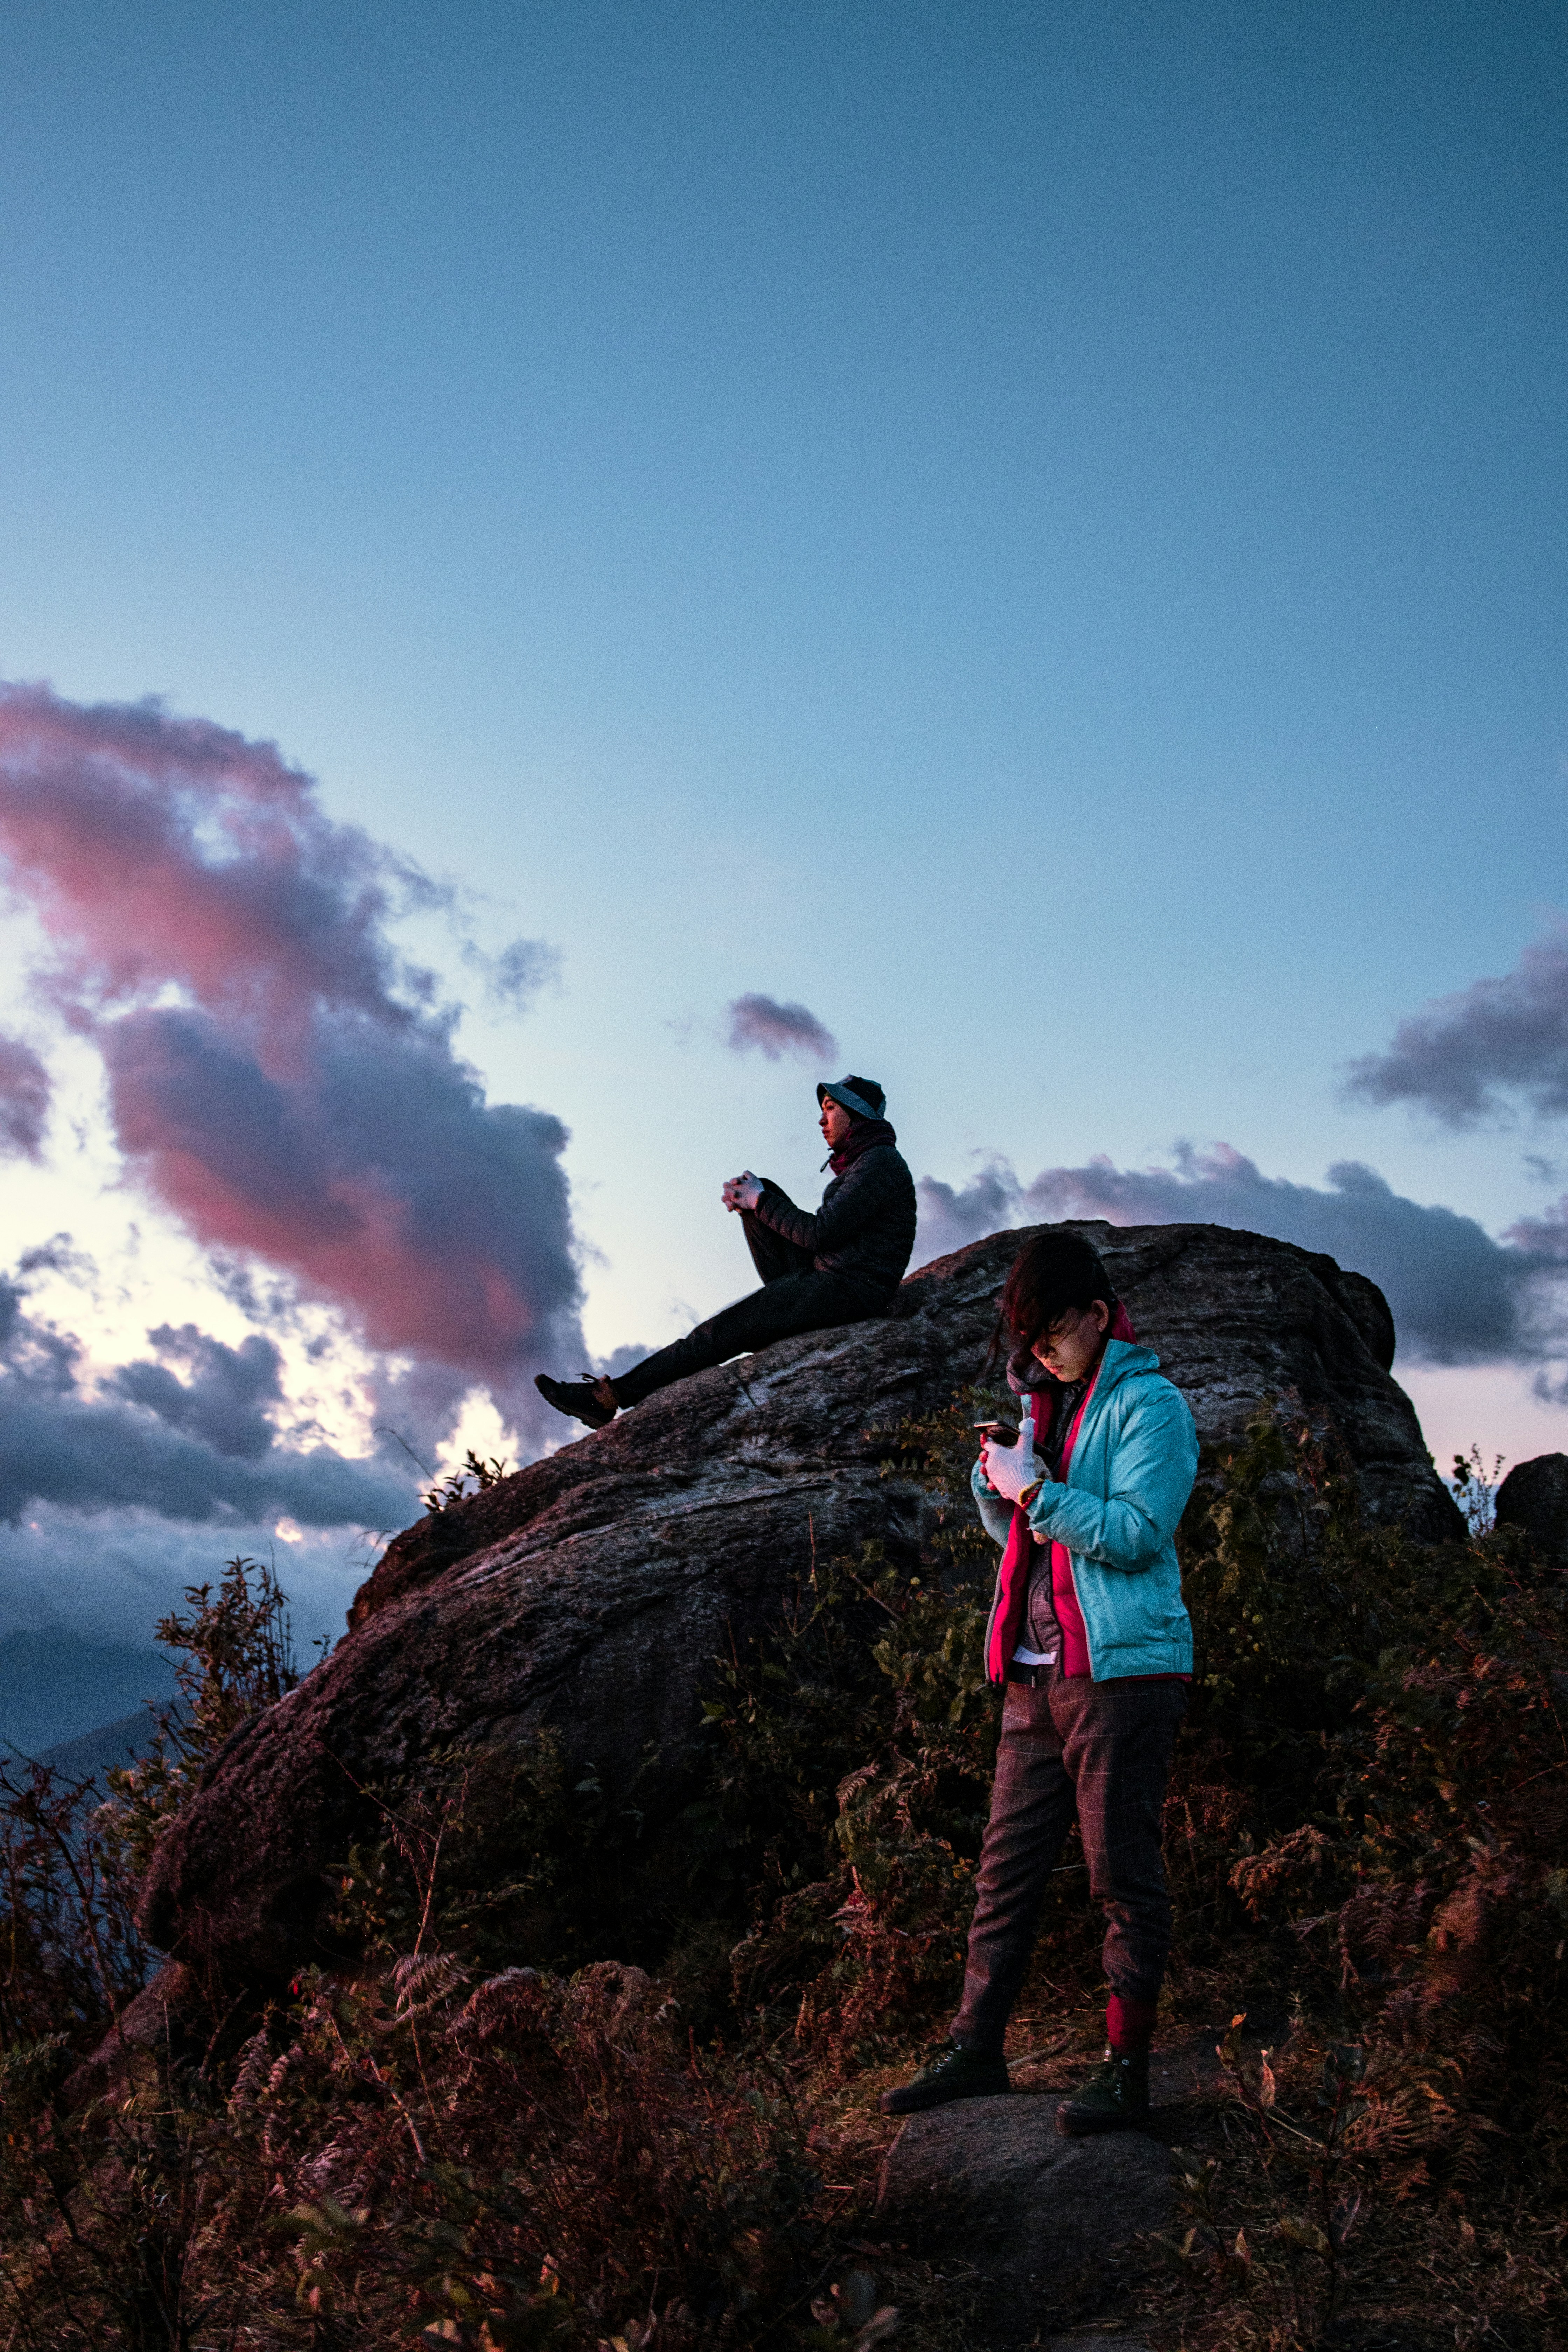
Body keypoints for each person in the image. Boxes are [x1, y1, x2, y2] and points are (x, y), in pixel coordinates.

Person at [880, 1229, 1198, 2135]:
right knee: (1003, 1878)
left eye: (1054, 1333)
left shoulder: (1153, 1407)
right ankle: (975, 2048)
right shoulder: (1048, 1403)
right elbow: (1030, 1539)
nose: (1040, 1352)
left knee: (1121, 1877)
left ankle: (1127, 2070)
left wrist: (1034, 1493)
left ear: (1100, 1316)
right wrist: (1001, 1484)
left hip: (1122, 1675)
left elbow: (1137, 1534)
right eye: (1029, 1338)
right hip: (1035, 1673)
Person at [534, 1075, 918, 1428]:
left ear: (858, 1115)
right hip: (833, 1276)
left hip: (849, 1290)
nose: (822, 1121)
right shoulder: (866, 1162)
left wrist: (762, 1202)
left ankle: (609, 1396)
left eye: (831, 1109)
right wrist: (753, 1200)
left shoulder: (879, 1162)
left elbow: (819, 1234)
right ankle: (777, 1309)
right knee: (760, 1191)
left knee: (722, 1330)